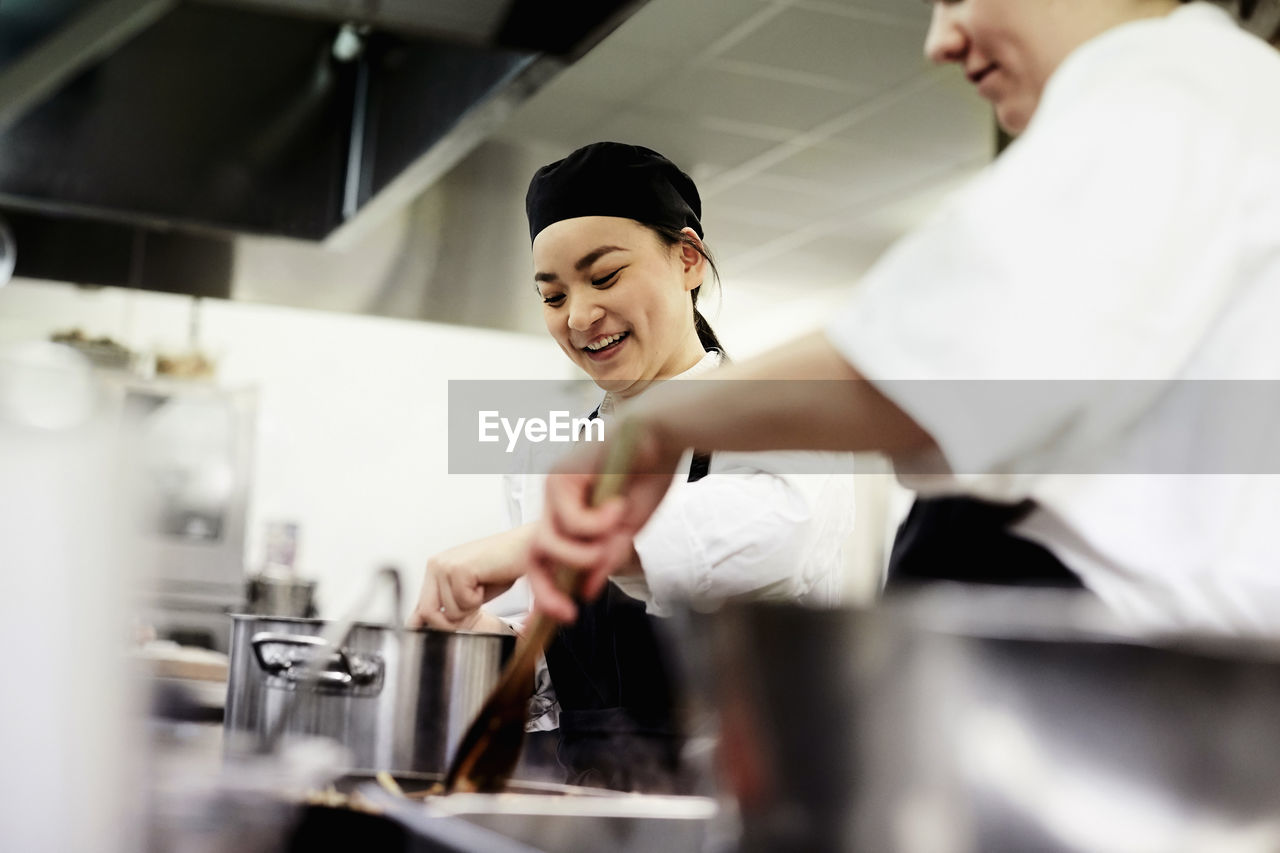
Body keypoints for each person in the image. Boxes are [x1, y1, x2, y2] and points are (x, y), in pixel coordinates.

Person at [527, 0, 1280, 635]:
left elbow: (924, 371)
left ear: (688, 259)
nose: (939, 40)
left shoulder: (1171, 86)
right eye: (552, 293)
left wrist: (656, 425)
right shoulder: (1227, 106)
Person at [410, 141, 857, 789]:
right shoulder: (546, 455)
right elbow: (566, 666)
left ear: (688, 258)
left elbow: (765, 544)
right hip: (595, 805)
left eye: (605, 276)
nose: (580, 316)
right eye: (553, 294)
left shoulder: (775, 420)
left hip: (743, 810)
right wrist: (486, 638)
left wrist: (541, 543)